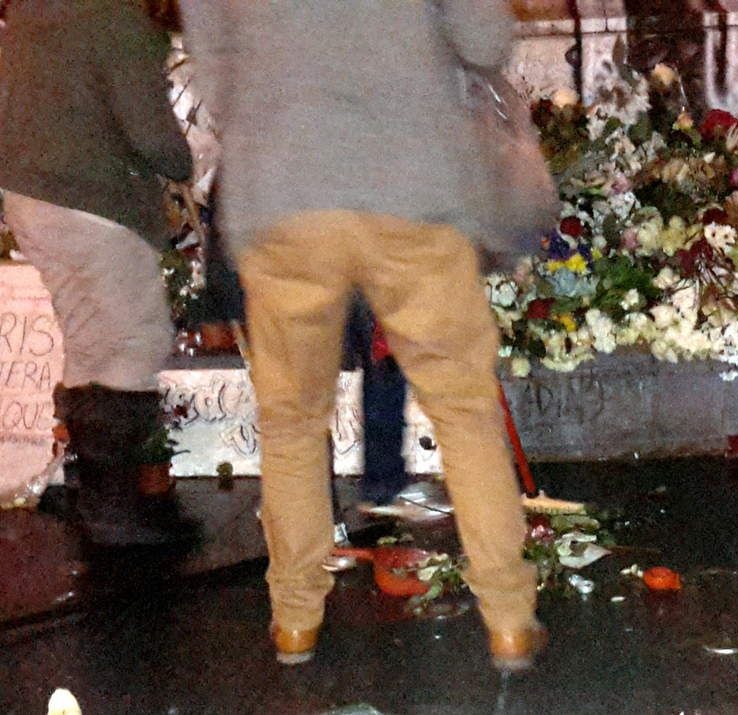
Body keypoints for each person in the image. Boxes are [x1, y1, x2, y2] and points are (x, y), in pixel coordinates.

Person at [180, 0, 542, 668]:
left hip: (284, 185)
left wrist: (273, 111)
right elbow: (485, 38)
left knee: (291, 422)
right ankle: (510, 618)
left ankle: (296, 619)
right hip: (414, 184)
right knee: (463, 411)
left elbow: (212, 58)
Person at [0, 0, 196, 546]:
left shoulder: (34, 12)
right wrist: (182, 164)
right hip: (96, 201)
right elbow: (149, 131)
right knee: (136, 341)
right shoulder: (117, 19)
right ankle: (115, 512)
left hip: (30, 196)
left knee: (88, 341)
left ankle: (97, 501)